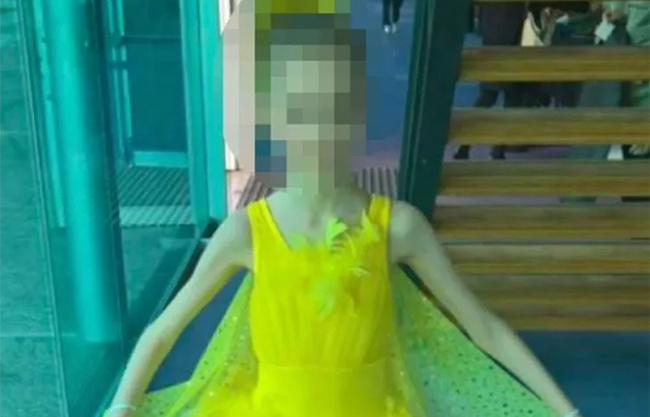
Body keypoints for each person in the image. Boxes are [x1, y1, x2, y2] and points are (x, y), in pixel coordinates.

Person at [104, 5, 583, 417]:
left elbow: (484, 327)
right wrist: (120, 408)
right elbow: (162, 333)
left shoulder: (397, 227)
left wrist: (568, 411)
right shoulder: (246, 233)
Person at [454, 2, 528, 160]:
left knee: (489, 97)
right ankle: (496, 150)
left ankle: (466, 146)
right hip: (507, 48)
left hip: (493, 43)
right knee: (509, 101)